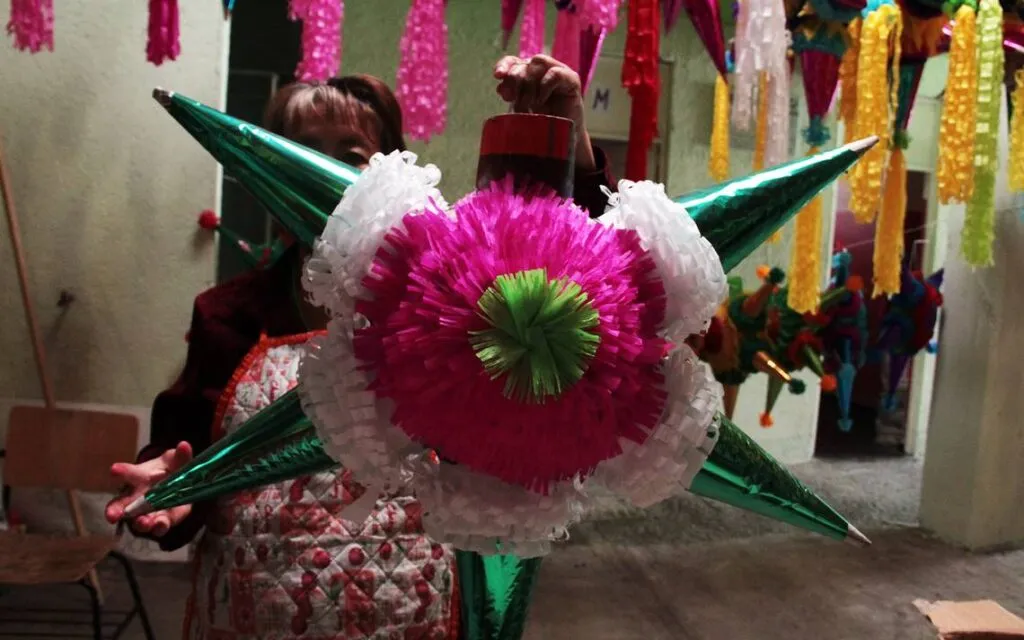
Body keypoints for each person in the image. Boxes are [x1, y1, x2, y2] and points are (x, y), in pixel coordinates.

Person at [105, 54, 613, 640]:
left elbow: (575, 278)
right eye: (300, 151)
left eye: (349, 155)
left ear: (391, 172)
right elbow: (184, 454)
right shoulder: (226, 316)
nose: (320, 172)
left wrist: (566, 142)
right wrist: (171, 490)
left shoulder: (451, 304)